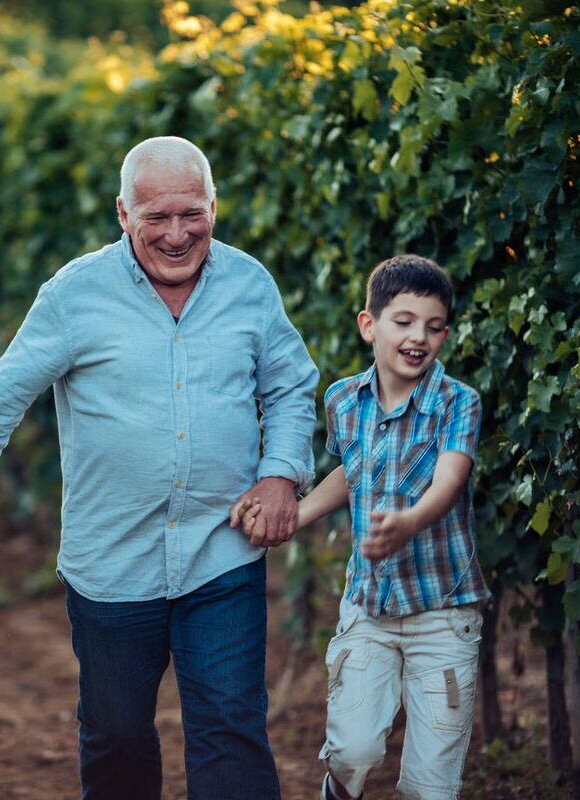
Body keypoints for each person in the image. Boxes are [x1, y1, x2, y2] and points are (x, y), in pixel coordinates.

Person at [0, 136, 319, 799]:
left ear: (214, 205)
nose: (177, 233)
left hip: (223, 553)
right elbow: (3, 395)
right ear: (122, 215)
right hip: (111, 564)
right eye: (156, 217)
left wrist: (280, 475)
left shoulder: (249, 284)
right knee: (117, 736)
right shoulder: (75, 295)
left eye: (192, 213)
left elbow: (288, 387)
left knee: (230, 730)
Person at [240, 255, 487, 800]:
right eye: (403, 321)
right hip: (368, 608)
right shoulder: (344, 401)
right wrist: (293, 515)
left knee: (431, 784)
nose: (419, 337)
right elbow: (352, 473)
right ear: (369, 325)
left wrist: (410, 520)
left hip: (443, 615)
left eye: (434, 325)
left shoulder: (458, 404)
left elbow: (449, 478)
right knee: (353, 752)